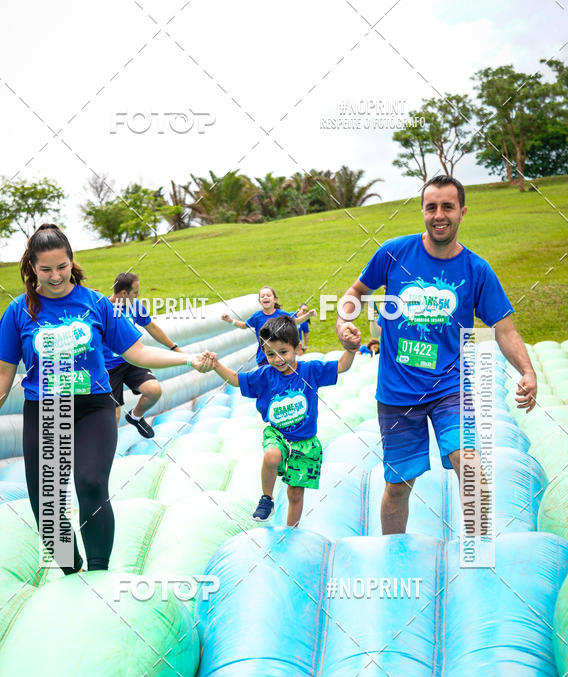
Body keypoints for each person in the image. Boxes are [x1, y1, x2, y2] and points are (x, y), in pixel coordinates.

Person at [0, 224, 211, 574]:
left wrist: (187, 358)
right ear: (32, 268)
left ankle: (99, 572)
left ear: (72, 262)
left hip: (93, 408)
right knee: (47, 502)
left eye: (62, 266)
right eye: (46, 269)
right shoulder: (19, 311)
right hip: (44, 411)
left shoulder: (96, 304)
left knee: (90, 483)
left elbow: (138, 352)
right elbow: (2, 372)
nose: (56, 276)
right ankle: (71, 571)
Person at [336, 174, 537, 536]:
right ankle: (393, 553)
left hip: (450, 387)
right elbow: (356, 292)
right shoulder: (394, 252)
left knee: (469, 464)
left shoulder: (476, 270)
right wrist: (342, 321)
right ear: (423, 212)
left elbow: (504, 329)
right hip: (397, 392)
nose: (439, 214)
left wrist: (527, 370)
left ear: (462, 212)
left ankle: (479, 549)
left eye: (447, 206)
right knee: (398, 486)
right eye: (431, 207)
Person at [207, 316, 355, 526]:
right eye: (270, 354)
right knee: (272, 455)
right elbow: (236, 380)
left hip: (305, 441)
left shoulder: (310, 371)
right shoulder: (265, 375)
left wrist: (351, 349)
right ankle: (267, 498)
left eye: (283, 352)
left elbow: (341, 366)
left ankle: (291, 530)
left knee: (295, 493)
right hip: (278, 434)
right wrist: (216, 365)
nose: (277, 359)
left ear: (297, 348)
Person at [104, 272, 183, 439]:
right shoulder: (102, 310)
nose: (138, 295)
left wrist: (174, 347)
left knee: (154, 391)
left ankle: (135, 417)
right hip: (108, 368)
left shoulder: (135, 306)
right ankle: (107, 451)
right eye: (135, 292)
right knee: (113, 416)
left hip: (132, 360)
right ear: (123, 293)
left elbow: (152, 327)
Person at [221, 285, 317, 366]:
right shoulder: (257, 317)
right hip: (264, 357)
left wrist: (308, 315)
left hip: (281, 355)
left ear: (275, 300)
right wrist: (230, 320)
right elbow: (244, 325)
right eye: (262, 296)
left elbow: (295, 321)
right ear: (260, 301)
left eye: (268, 295)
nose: (265, 297)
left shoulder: (281, 314)